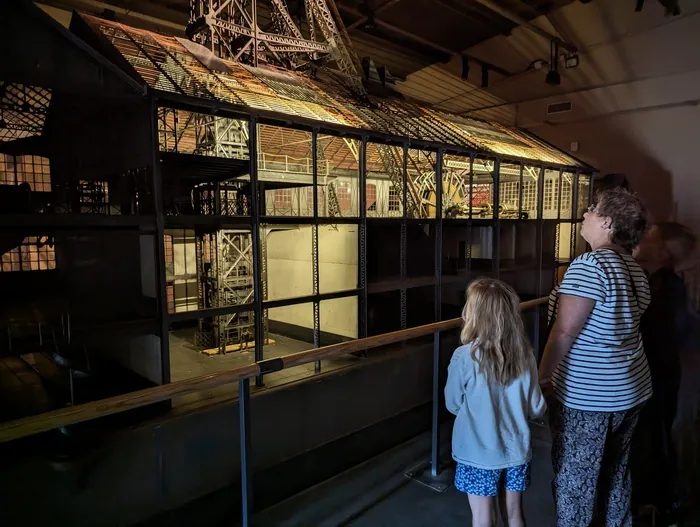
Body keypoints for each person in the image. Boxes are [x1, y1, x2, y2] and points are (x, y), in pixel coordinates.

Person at [538, 187, 651, 527]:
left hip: (590, 396)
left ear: (606, 221)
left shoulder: (590, 265)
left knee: (576, 480)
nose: (585, 214)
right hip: (631, 388)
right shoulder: (633, 268)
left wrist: (541, 378)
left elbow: (564, 332)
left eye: (592, 209)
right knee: (616, 472)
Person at [445, 278, 546, 527]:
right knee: (514, 515)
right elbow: (536, 407)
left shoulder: (465, 357)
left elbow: (453, 403)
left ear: (476, 314)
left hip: (478, 453)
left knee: (483, 518)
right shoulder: (525, 355)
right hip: (516, 452)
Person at [632, 222, 697, 525]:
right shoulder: (664, 283)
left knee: (662, 436)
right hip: (665, 373)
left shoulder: (666, 287)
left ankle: (663, 500)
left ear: (662, 251)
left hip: (663, 374)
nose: (639, 241)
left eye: (647, 239)